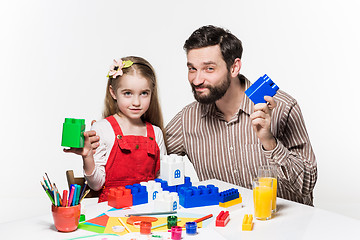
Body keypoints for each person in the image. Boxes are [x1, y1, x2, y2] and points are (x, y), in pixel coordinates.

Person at [166, 25, 317, 206]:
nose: (197, 80)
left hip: (285, 227)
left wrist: (269, 141)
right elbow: (149, 158)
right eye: (192, 69)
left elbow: (306, 185)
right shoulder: (188, 119)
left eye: (209, 69)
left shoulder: (282, 107)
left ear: (234, 67)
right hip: (228, 227)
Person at [64, 56, 166, 202]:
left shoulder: (156, 133)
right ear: (113, 92)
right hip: (112, 211)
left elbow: (162, 179)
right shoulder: (102, 129)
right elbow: (96, 185)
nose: (136, 102)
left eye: (144, 93)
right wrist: (87, 157)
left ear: (152, 93)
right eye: (128, 93)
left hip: (147, 209)